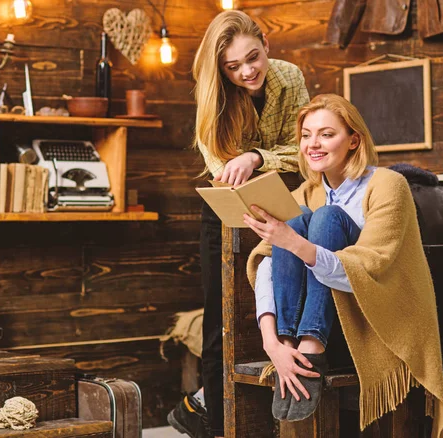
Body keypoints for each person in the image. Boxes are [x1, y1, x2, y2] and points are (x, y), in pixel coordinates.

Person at [244, 94, 443, 437]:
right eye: (306, 135)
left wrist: (293, 242)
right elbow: (267, 264)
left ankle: (311, 348)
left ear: (354, 140)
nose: (313, 144)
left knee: (325, 219)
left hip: (372, 321)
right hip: (304, 331)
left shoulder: (387, 184)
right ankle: (294, 346)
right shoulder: (304, 192)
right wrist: (272, 344)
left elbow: (370, 267)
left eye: (326, 134)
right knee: (298, 220)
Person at [166, 10, 309, 438]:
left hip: (285, 203)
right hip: (226, 209)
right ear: (220, 69)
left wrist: (256, 157)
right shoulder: (213, 97)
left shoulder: (289, 77)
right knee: (221, 317)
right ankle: (216, 422)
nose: (248, 71)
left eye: (253, 57)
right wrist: (245, 163)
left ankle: (219, 410)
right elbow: (220, 168)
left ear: (266, 44)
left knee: (279, 306)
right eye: (234, 66)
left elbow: (304, 148)